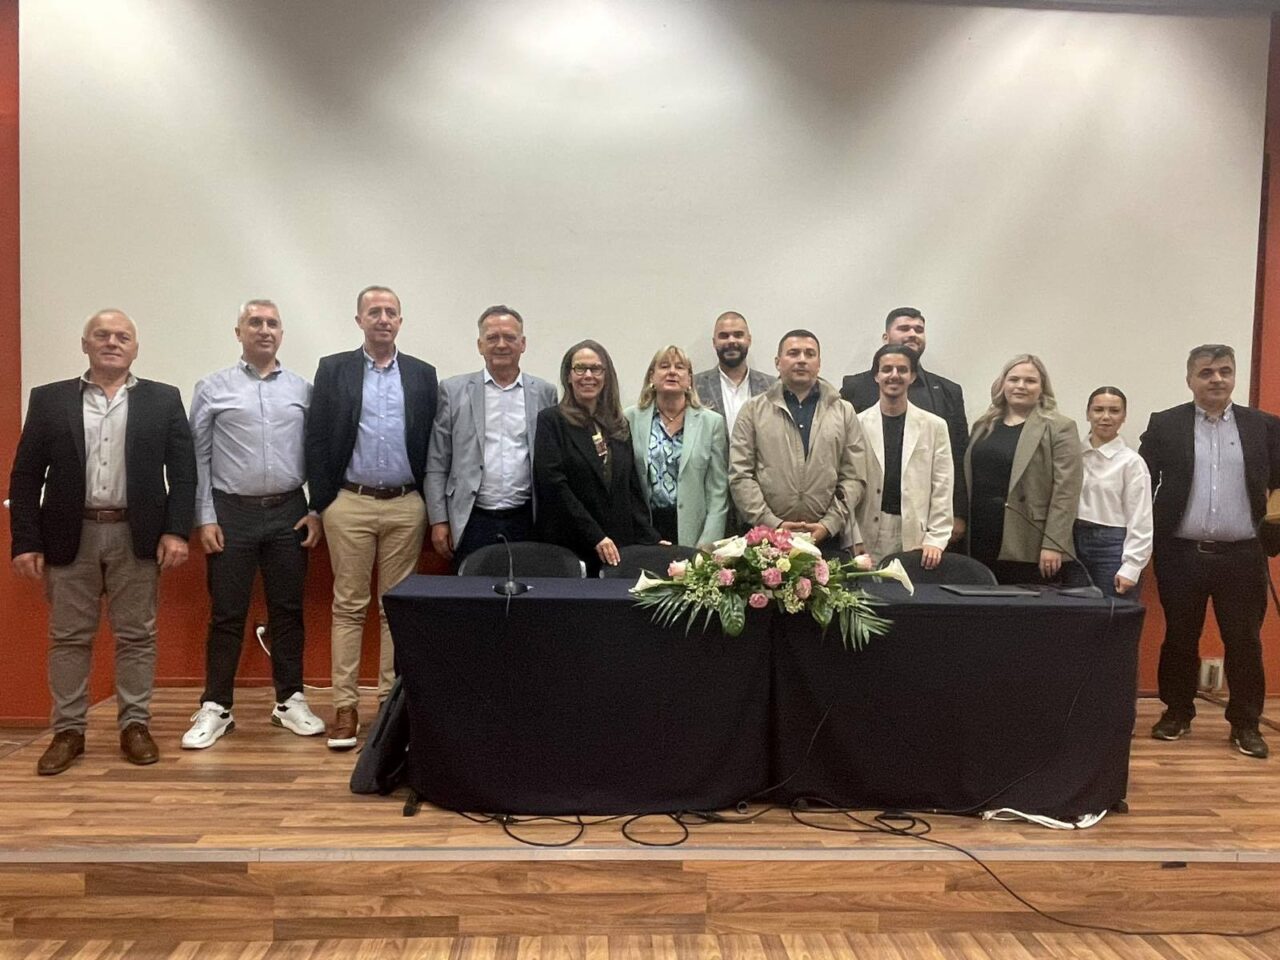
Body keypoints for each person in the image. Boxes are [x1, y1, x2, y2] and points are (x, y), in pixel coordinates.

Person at [9, 309, 195, 775]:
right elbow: (26, 476)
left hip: (138, 535)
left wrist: (176, 530)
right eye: (102, 335)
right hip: (70, 536)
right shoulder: (50, 399)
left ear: (135, 348)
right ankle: (68, 731)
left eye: (122, 337)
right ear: (85, 344)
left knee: (137, 636)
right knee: (69, 637)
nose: (112, 342)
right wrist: (25, 541)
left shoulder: (163, 399)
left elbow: (184, 474)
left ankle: (135, 725)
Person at [182, 300, 326, 750]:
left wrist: (316, 510)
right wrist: (205, 516)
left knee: (288, 611)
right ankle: (216, 707)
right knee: (227, 613)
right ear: (239, 332)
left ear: (281, 333)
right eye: (255, 323)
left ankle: (290, 701)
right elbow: (198, 457)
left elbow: (319, 453)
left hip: (289, 511)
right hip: (232, 514)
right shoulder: (212, 388)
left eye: (272, 324)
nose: (264, 330)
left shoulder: (303, 389)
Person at [306, 286, 437, 751]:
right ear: (359, 320)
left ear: (400, 321)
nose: (383, 319)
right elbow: (316, 439)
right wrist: (322, 504)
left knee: (393, 608)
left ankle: (388, 704)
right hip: (350, 502)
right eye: (374, 312)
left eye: (391, 312)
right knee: (348, 605)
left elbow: (432, 443)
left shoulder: (422, 374)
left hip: (406, 504)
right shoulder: (334, 369)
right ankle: (344, 707)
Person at [1140, 345, 1280, 759]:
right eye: (1206, 372)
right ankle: (1176, 713)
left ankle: (1245, 724)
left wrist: (1273, 532)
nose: (1216, 379)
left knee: (1245, 642)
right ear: (1190, 379)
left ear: (1234, 376)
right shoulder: (1166, 424)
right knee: (1180, 638)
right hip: (1182, 553)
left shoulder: (1264, 426)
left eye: (1224, 371)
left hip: (1243, 555)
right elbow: (1141, 482)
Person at [426, 305, 557, 568]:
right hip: (471, 519)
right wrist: (438, 520)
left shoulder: (545, 393)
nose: (501, 344)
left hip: (526, 518)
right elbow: (437, 462)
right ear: (480, 345)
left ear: (523, 344)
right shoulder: (453, 391)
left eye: (509, 337)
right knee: (472, 591)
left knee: (527, 590)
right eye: (492, 337)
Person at [730, 330, 866, 554]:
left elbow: (854, 477)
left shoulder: (843, 411)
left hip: (826, 539)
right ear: (778, 362)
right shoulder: (753, 411)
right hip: (764, 540)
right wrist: (772, 524)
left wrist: (829, 524)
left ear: (819, 364)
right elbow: (740, 474)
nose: (802, 359)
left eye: (809, 354)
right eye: (793, 353)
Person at [841, 307, 969, 544]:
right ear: (886, 337)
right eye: (904, 328)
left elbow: (958, 455)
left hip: (921, 522)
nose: (912, 334)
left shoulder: (948, 391)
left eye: (919, 329)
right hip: (868, 518)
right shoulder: (855, 387)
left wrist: (958, 512)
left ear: (911, 377)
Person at [533, 340, 660, 573]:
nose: (588, 375)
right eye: (580, 368)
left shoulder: (619, 424)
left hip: (617, 546)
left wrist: (651, 539)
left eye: (596, 369)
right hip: (570, 547)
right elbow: (554, 486)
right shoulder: (551, 421)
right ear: (568, 376)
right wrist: (596, 536)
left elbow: (631, 488)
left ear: (606, 375)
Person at [964, 354, 1082, 584]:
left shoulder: (1060, 427)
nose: (1020, 386)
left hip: (1030, 541)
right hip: (980, 533)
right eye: (1014, 379)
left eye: (1030, 381)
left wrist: (1053, 543)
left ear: (1042, 388)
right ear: (1002, 384)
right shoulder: (983, 425)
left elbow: (1066, 492)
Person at [850, 344, 953, 568]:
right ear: (876, 376)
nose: (894, 375)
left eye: (902, 370)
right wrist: (854, 536)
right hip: (867, 533)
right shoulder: (856, 424)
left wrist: (935, 539)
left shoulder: (935, 426)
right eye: (887, 369)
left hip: (916, 534)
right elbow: (847, 485)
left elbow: (942, 487)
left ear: (912, 376)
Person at [624, 344, 728, 547]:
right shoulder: (630, 418)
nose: (672, 372)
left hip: (694, 532)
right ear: (652, 376)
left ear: (689, 379)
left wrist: (707, 545)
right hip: (644, 531)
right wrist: (644, 534)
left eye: (680, 367)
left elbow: (718, 492)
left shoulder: (711, 423)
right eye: (664, 366)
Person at [692, 311, 774, 533]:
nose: (731, 341)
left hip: (763, 500)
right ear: (714, 342)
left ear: (749, 339)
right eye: (724, 336)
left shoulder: (773, 388)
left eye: (738, 335)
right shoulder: (694, 387)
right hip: (711, 498)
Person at [1075, 386, 1152, 599]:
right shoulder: (1072, 456)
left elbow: (1141, 519)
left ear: (1124, 416)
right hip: (1072, 545)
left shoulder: (1131, 462)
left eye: (1114, 411)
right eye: (1098, 410)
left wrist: (1132, 566)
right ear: (1088, 413)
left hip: (1112, 548)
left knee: (1112, 613)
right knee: (1075, 613)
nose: (1106, 417)